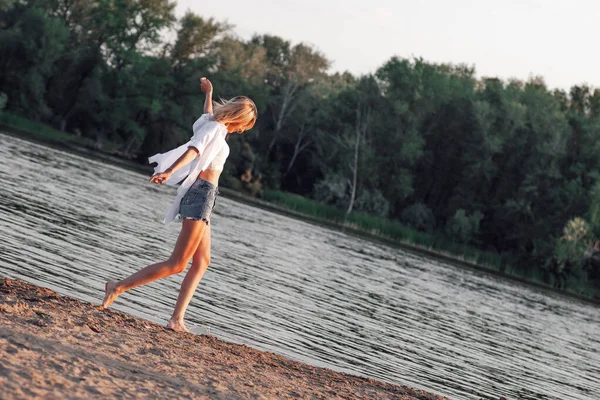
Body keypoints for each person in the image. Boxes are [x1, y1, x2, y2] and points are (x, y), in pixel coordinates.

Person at [101, 77, 257, 332]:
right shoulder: (215, 130)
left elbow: (206, 117)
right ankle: (117, 286)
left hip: (205, 196)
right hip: (201, 194)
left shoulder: (211, 124)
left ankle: (176, 319)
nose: (241, 131)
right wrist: (170, 170)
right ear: (238, 118)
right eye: (244, 125)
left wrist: (208, 94)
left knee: (202, 261)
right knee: (177, 264)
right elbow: (195, 150)